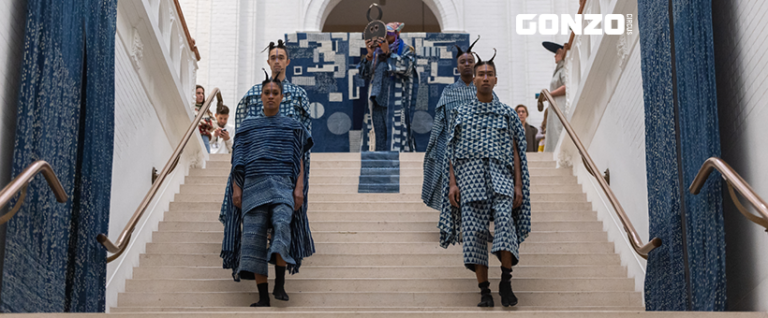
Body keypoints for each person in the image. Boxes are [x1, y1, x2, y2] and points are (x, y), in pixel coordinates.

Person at [437, 50, 531, 308]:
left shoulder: (508, 114)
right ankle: (484, 291)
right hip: (470, 182)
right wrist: (453, 184)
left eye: (490, 74)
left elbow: (517, 152)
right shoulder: (461, 113)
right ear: (475, 80)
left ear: (496, 80)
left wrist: (518, 185)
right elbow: (451, 151)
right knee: (476, 235)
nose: (485, 78)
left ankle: (506, 280)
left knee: (505, 228)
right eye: (481, 75)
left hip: (502, 181)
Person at [221, 40, 314, 288]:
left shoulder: (299, 95)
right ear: (268, 61)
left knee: (284, 221)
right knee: (254, 227)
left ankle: (281, 274)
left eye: (281, 57)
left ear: (287, 61)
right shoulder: (252, 94)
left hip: (287, 170)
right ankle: (257, 276)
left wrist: (299, 182)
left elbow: (304, 139)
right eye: (272, 56)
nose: (276, 60)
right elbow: (241, 138)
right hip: (255, 171)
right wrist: (237, 184)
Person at [422, 36, 498, 210]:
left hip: (480, 149)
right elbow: (440, 124)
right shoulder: (448, 92)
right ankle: (453, 227)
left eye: (470, 61)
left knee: (479, 191)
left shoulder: (485, 91)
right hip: (454, 150)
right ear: (457, 66)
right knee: (453, 190)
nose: (466, 64)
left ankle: (478, 227)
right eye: (462, 61)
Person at [358, 21, 420, 152]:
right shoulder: (376, 53)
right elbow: (363, 74)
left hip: (395, 103)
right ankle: (379, 171)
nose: (384, 38)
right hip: (376, 102)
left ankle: (395, 171)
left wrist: (389, 54)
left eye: (388, 35)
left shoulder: (406, 50)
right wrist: (369, 54)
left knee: (395, 140)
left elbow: (406, 68)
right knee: (378, 142)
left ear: (396, 34)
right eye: (382, 34)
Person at [541, 42, 567, 152]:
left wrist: (550, 94)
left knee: (558, 130)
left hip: (561, 107)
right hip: (554, 109)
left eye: (557, 53)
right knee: (553, 132)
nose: (554, 56)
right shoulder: (558, 71)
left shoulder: (564, 69)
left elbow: (567, 86)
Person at [194, 85, 215, 153]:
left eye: (202, 93)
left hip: (205, 136)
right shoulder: (191, 108)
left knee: (207, 158)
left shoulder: (206, 110)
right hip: (194, 136)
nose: (201, 95)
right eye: (198, 93)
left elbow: (213, 124)